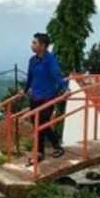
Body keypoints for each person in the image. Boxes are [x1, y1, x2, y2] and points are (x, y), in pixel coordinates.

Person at [22, 32, 68, 165]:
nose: (32, 45)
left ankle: (49, 149)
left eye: (34, 43)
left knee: (42, 123)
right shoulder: (33, 60)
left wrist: (65, 89)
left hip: (47, 97)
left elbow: (57, 76)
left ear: (43, 46)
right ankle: (42, 152)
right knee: (36, 123)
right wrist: (24, 91)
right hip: (35, 96)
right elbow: (30, 78)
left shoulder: (50, 60)